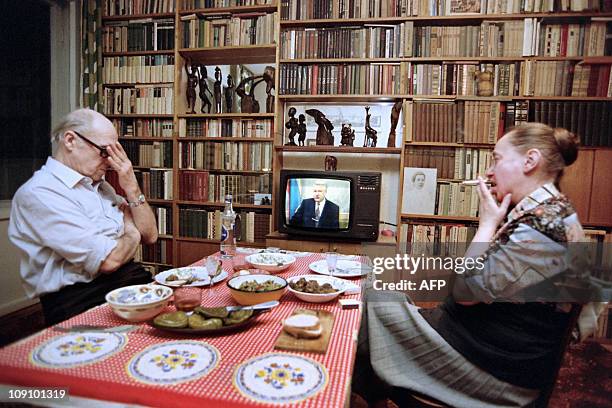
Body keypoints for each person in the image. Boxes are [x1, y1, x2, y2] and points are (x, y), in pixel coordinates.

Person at [353, 123, 597, 407]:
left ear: (530, 161)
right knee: (377, 294)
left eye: (497, 159)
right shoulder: (554, 211)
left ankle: (347, 390)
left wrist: (487, 225)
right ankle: (369, 389)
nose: (490, 171)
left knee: (365, 301)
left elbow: (464, 292)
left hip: (490, 369)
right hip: (486, 348)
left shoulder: (541, 227)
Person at [8, 108, 158, 326]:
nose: (111, 163)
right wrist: (131, 231)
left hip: (129, 282)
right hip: (80, 299)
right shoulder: (40, 193)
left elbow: (151, 235)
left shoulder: (100, 186)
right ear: (70, 140)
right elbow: (109, 260)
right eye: (105, 152)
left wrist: (132, 186)